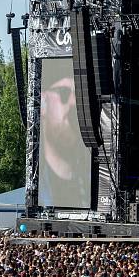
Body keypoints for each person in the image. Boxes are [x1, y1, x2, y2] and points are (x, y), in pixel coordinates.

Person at [38, 59, 91, 208]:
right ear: (43, 101)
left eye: (79, 95)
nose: (74, 103)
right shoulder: (39, 187)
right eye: (64, 93)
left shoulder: (93, 180)